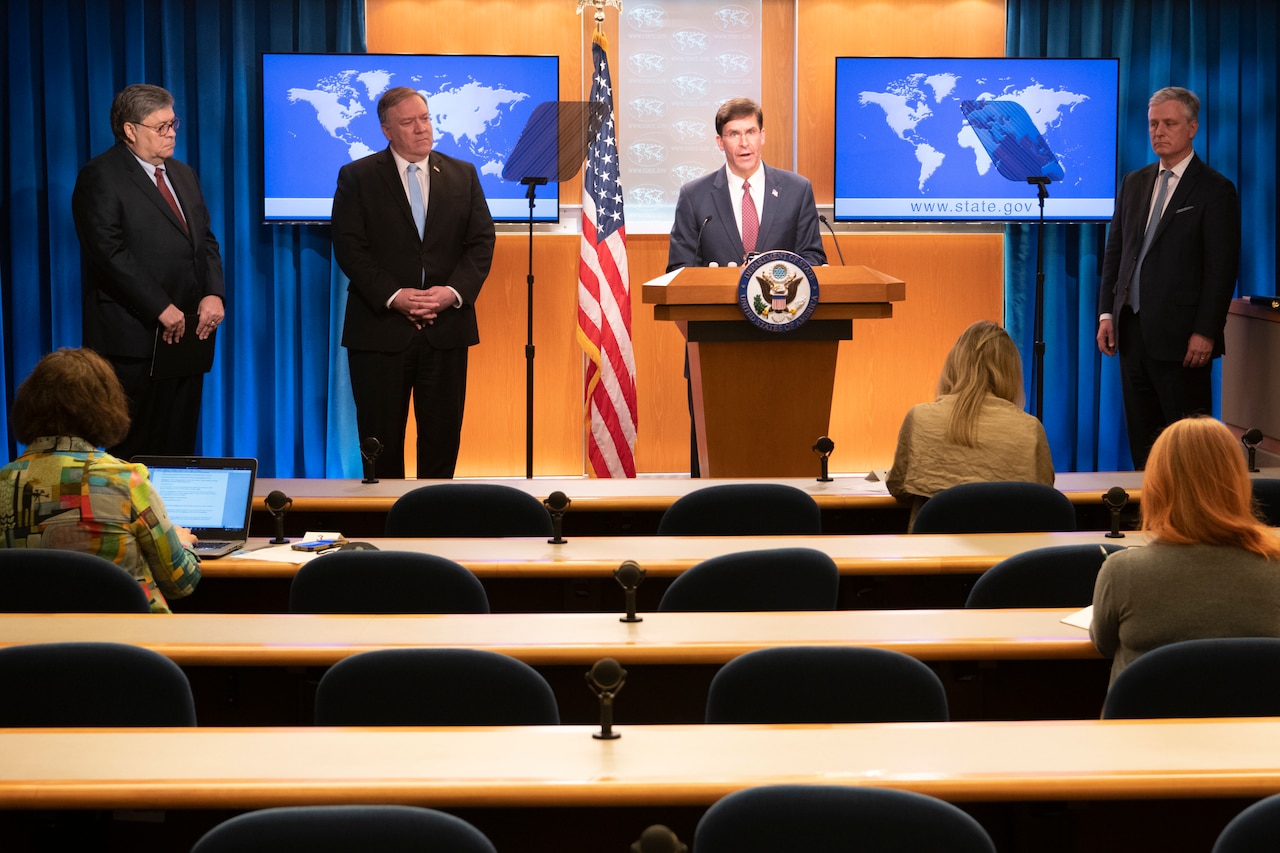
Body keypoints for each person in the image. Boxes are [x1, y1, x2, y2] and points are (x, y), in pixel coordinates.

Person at [331, 87, 496, 479]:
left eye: (424, 118)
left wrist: (451, 293)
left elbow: (481, 241)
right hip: (380, 330)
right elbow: (350, 247)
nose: (422, 128)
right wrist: (395, 296)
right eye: (408, 122)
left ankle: (435, 526)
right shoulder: (358, 177)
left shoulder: (462, 174)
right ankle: (385, 527)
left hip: (446, 330)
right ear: (387, 130)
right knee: (379, 442)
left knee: (441, 439)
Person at [71, 83, 226, 461]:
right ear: (130, 130)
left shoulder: (183, 173)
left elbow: (204, 240)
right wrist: (159, 306)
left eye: (174, 123)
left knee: (179, 444)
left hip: (188, 333)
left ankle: (173, 521)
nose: (172, 133)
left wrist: (213, 293)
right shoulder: (101, 176)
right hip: (134, 337)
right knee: (136, 447)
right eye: (161, 127)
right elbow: (108, 254)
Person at [1096, 86, 1240, 469]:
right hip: (1132, 333)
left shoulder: (1215, 189)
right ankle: (1146, 516)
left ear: (1192, 127)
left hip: (1183, 340)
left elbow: (1221, 268)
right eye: (1153, 124)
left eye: (1169, 123)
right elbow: (1116, 254)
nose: (1159, 131)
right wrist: (1107, 314)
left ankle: (1189, 522)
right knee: (1142, 441)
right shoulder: (1134, 181)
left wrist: (1206, 331)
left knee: (1186, 450)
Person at [0, 348, 202, 613]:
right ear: (104, 406)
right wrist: (183, 541)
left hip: (27, 648)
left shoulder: (4, 481)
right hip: (130, 647)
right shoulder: (125, 481)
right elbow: (181, 583)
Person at [1090, 416, 1280, 684]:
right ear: (1238, 481)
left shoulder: (1122, 572)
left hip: (1143, 724)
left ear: (1157, 486)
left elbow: (1103, 645)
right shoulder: (1275, 566)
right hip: (1257, 724)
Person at [886, 320, 1055, 531]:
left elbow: (898, 487)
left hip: (934, 555)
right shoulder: (1030, 428)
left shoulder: (920, 418)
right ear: (1012, 372)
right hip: (1010, 556)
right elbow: (1044, 497)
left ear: (954, 364)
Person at [667, 98, 826, 271]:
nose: (744, 143)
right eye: (734, 134)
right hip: (717, 297)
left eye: (751, 132)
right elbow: (680, 269)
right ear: (720, 142)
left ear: (762, 136)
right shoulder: (694, 197)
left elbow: (813, 257)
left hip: (779, 297)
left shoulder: (797, 190)